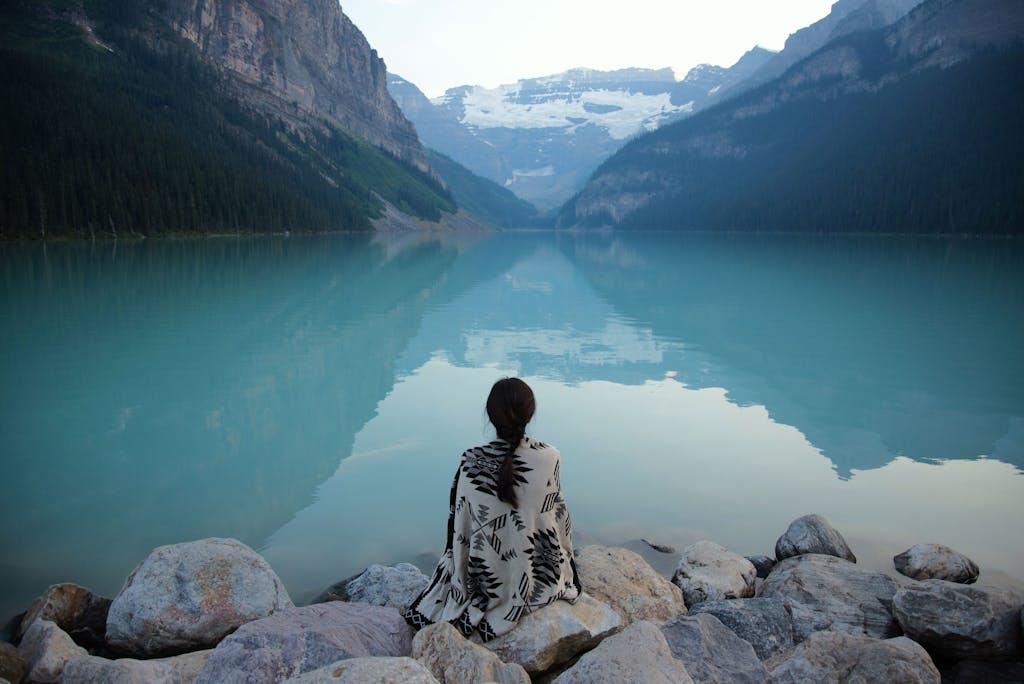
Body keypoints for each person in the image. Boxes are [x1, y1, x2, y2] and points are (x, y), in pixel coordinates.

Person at [403, 377, 582, 642]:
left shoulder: (470, 462)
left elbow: (459, 529)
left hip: (485, 579)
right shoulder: (550, 457)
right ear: (530, 414)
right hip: (539, 574)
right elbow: (559, 517)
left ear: (490, 415)